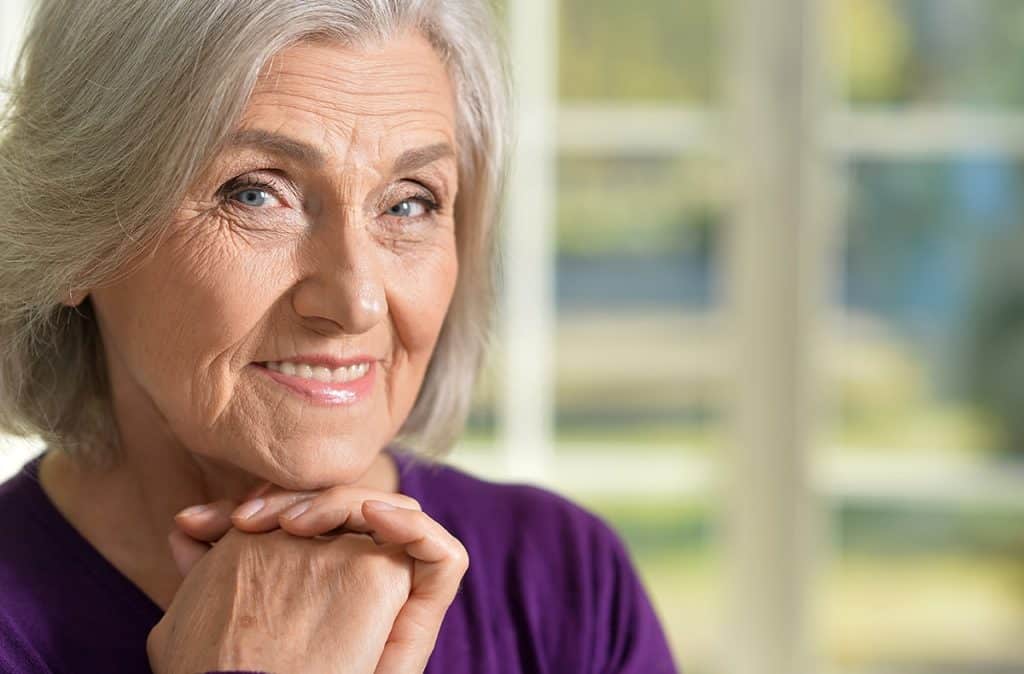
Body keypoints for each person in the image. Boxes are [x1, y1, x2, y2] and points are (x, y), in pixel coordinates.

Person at [0, 1, 679, 672]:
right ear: (80, 240)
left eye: (409, 202)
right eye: (255, 194)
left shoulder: (567, 585)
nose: (356, 302)